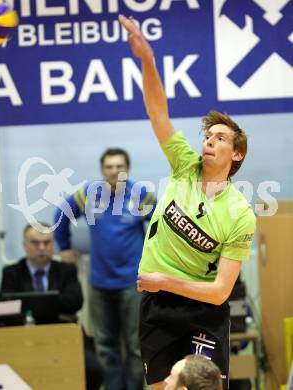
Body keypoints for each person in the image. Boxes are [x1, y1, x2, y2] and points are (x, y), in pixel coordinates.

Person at [118, 15, 256, 390]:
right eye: (208, 135)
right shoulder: (184, 166)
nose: (209, 141)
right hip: (158, 308)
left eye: (221, 137)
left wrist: (165, 279)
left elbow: (220, 292)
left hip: (202, 311)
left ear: (237, 153)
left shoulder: (240, 213)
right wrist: (147, 60)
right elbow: (157, 111)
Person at [54, 147, 156, 390]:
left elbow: (161, 227)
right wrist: (64, 247)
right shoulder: (88, 194)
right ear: (102, 170)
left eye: (119, 166)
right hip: (99, 284)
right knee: (105, 345)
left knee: (134, 346)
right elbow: (61, 214)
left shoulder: (141, 195)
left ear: (127, 169)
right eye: (109, 167)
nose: (114, 171)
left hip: (134, 283)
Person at [0, 223, 103, 390]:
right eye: (35, 242)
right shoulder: (11, 272)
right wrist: (55, 307)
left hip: (64, 336)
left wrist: (32, 304)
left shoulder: (66, 269)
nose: (42, 247)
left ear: (53, 245)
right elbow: (6, 305)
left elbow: (75, 302)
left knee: (93, 370)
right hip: (24, 338)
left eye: (47, 242)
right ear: (24, 246)